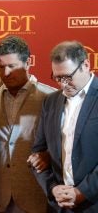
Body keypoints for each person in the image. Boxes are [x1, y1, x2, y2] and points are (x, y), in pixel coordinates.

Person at [0, 35, 56, 213]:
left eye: (12, 66)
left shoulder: (51, 98)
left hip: (38, 193)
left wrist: (48, 155)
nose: (6, 73)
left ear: (28, 62)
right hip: (1, 195)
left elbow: (65, 143)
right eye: (1, 67)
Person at [32, 40, 98, 212]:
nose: (62, 84)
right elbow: (37, 154)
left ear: (85, 65)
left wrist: (82, 192)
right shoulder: (51, 101)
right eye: (57, 77)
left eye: (68, 77)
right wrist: (53, 188)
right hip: (58, 206)